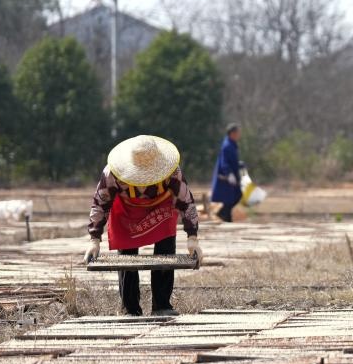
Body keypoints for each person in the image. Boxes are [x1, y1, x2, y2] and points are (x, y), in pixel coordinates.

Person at [84, 135, 203, 317]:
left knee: (165, 252)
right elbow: (100, 204)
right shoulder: (113, 173)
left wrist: (192, 238)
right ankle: (130, 308)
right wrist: (94, 239)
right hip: (126, 213)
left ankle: (162, 305)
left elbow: (186, 202)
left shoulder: (172, 172)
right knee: (127, 258)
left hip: (160, 210)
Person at [211, 123, 244, 222]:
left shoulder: (232, 144)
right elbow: (224, 162)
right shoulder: (227, 145)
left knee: (235, 197)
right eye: (238, 132)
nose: (239, 134)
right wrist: (229, 174)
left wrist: (239, 164)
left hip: (232, 176)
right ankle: (224, 216)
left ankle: (224, 215)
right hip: (227, 178)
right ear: (232, 133)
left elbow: (232, 160)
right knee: (230, 199)